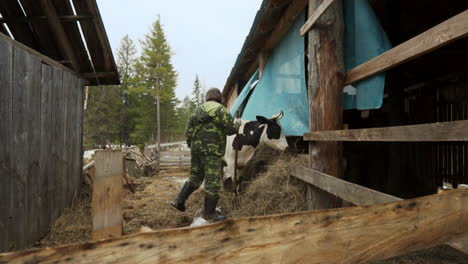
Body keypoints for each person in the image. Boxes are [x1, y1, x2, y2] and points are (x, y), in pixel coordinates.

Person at [171, 88, 239, 221]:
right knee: (212, 182)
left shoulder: (197, 111)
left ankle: (179, 200)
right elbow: (231, 130)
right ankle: (209, 213)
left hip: (196, 151)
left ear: (207, 98)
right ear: (220, 99)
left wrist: (194, 148)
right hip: (212, 152)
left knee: (195, 177)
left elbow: (188, 133)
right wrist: (237, 123)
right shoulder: (221, 110)